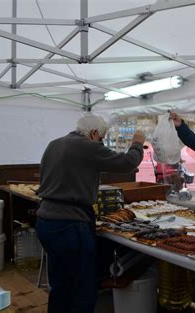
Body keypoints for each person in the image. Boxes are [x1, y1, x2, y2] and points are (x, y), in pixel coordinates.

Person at [36, 114, 145, 313]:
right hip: (70, 225)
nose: (101, 143)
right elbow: (128, 162)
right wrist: (137, 143)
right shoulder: (87, 146)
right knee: (82, 287)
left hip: (45, 221)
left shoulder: (53, 145)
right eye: (101, 138)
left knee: (60, 284)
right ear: (94, 133)